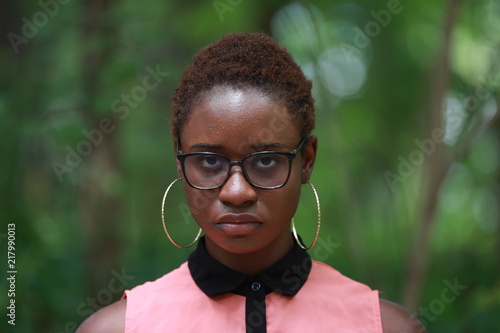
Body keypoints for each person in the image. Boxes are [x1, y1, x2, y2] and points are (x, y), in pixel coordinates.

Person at [77, 32, 425, 332]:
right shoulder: (119, 327)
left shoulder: (384, 326)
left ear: (307, 161)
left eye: (267, 161)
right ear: (179, 163)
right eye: (209, 161)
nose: (237, 192)